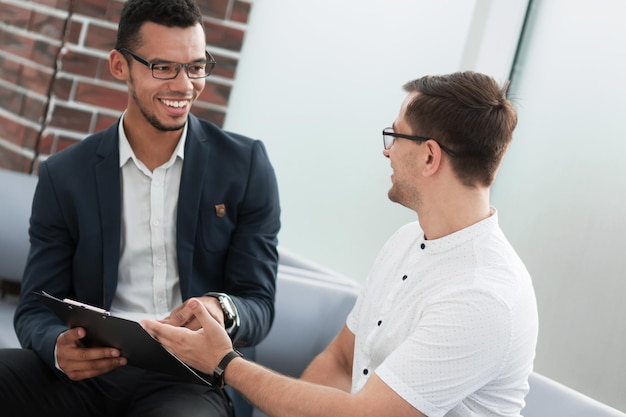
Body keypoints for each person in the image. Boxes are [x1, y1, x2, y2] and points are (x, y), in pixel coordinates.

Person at [143, 71, 539, 417]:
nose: (387, 150)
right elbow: (342, 359)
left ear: (430, 156)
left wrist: (224, 363)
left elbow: (365, 415)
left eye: (396, 136)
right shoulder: (407, 240)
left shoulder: (482, 296)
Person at [0, 0, 280, 416]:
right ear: (119, 66)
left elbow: (258, 302)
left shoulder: (245, 166)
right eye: (163, 67)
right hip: (92, 370)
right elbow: (37, 305)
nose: (184, 85)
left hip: (191, 378)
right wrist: (58, 349)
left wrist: (221, 308)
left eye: (196, 66)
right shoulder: (65, 175)